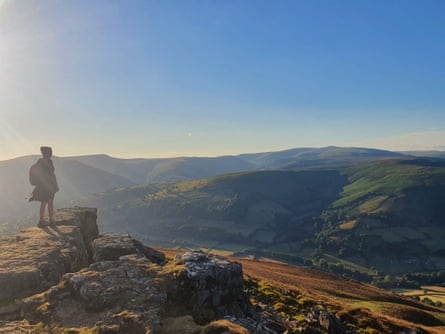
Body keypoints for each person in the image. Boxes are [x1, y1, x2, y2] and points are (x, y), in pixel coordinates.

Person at [29, 146, 59, 227]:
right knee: (50, 202)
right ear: (47, 153)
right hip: (48, 186)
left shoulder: (41, 162)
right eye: (50, 152)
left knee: (44, 202)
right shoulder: (47, 162)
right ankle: (51, 220)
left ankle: (42, 220)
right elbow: (51, 174)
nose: (51, 153)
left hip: (44, 186)